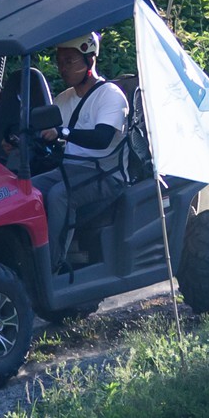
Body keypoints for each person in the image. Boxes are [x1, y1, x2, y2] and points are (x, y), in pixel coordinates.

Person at [31, 33, 129, 270]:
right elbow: (45, 132)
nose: (62, 68)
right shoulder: (64, 99)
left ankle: (52, 267)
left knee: (59, 195)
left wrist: (64, 133)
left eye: (69, 61)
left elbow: (102, 139)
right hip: (71, 168)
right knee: (27, 190)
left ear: (90, 60)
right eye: (60, 62)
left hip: (106, 173)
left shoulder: (111, 95)